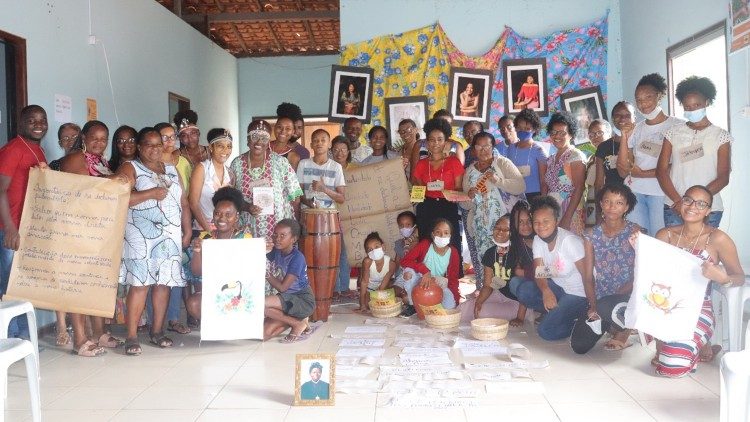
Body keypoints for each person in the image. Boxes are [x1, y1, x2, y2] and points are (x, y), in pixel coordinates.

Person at [651, 185, 744, 377]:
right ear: (680, 203)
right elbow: (651, 275)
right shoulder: (665, 235)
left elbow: (740, 277)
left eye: (701, 204)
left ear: (709, 210)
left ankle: (695, 344)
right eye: (688, 200)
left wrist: (723, 278)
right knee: (668, 358)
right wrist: (641, 249)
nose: (693, 206)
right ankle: (690, 347)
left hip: (698, 310)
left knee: (672, 368)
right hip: (664, 307)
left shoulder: (718, 238)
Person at [116, 127, 191, 356]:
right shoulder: (131, 167)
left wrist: (186, 230)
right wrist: (149, 194)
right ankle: (131, 336)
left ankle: (157, 331)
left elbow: (184, 202)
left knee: (163, 284)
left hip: (170, 235)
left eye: (158, 144)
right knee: (140, 285)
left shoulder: (171, 169)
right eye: (148, 144)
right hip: (140, 236)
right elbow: (119, 197)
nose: (154, 149)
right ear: (139, 147)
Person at [60, 120, 127, 356]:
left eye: (103, 139)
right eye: (94, 138)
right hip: (77, 231)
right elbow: (85, 190)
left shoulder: (101, 161)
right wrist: (115, 181)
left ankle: (98, 333)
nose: (99, 143)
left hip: (98, 233)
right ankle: (80, 339)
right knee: (78, 284)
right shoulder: (75, 158)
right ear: (84, 138)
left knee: (96, 284)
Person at [570, 184, 640, 354]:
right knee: (579, 345)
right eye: (607, 201)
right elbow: (587, 277)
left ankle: (624, 331)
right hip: (602, 298)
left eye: (619, 203)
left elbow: (642, 272)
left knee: (611, 306)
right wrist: (593, 305)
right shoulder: (591, 235)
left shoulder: (635, 231)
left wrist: (618, 294)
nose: (612, 207)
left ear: (627, 207)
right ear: (600, 203)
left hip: (628, 294)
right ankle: (611, 324)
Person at [0, 105, 49, 340]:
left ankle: (23, 339)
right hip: (9, 229)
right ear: (21, 124)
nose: (38, 124)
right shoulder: (13, 149)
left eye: (42, 120)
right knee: (9, 287)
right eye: (32, 121)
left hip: (27, 228)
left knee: (22, 286)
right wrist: (9, 228)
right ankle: (10, 340)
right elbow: (0, 190)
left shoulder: (38, 151)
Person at [657, 76, 731, 228]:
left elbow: (724, 177)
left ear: (707, 102)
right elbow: (661, 171)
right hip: (674, 206)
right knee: (675, 251)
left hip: (709, 209)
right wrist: (679, 201)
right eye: (687, 107)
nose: (692, 110)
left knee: (702, 251)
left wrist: (696, 202)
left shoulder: (721, 136)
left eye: (697, 105)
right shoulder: (672, 133)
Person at [513, 196, 588, 341]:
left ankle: (579, 322)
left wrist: (593, 304)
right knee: (521, 288)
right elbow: (539, 271)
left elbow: (588, 276)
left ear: (556, 220)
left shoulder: (569, 242)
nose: (541, 226)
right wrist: (546, 291)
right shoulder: (538, 240)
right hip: (559, 289)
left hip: (579, 295)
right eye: (536, 222)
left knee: (545, 331)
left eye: (546, 221)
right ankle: (559, 314)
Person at [617, 73, 683, 236]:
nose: (643, 104)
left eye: (648, 97)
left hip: (661, 193)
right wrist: (624, 137)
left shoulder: (677, 125)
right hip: (635, 191)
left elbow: (678, 165)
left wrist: (644, 174)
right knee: (639, 241)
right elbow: (622, 169)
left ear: (659, 96)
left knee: (659, 240)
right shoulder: (637, 128)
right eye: (638, 99)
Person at [461, 132, 525, 289]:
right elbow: (465, 205)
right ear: (473, 149)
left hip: (502, 226)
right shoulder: (469, 171)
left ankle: (508, 294)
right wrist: (468, 197)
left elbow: (520, 186)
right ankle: (488, 293)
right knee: (486, 261)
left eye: (487, 146)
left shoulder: (502, 163)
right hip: (480, 228)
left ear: (493, 147)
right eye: (479, 147)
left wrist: (498, 181)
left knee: (505, 260)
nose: (483, 150)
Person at [186, 187, 253, 320]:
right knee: (193, 303)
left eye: (228, 214)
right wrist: (197, 251)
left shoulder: (245, 239)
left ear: (237, 217)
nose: (222, 218)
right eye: (217, 213)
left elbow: (250, 273)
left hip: (237, 291)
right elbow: (197, 272)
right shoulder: (205, 238)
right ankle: (216, 327)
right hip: (214, 291)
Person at [229, 119, 302, 239]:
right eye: (254, 136)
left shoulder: (280, 162)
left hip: (279, 232)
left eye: (264, 138)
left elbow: (295, 197)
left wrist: (295, 227)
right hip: (248, 232)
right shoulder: (236, 164)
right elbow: (231, 197)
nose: (259, 141)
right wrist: (247, 207)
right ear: (247, 140)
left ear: (268, 141)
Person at [411, 118, 465, 252]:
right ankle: (427, 272)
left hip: (447, 206)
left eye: (440, 139)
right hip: (426, 207)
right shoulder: (421, 164)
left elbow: (459, 188)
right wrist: (416, 195)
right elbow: (417, 186)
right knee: (426, 241)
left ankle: (453, 272)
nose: (435, 143)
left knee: (450, 243)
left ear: (446, 142)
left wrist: (449, 192)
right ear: (427, 142)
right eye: (431, 139)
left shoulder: (453, 162)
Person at [458, 215, 521, 322]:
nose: (500, 231)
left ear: (513, 233)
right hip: (498, 294)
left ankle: (527, 314)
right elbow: (488, 285)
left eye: (506, 230)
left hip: (516, 302)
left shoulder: (518, 252)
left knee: (482, 313)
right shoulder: (490, 253)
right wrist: (479, 301)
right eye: (497, 227)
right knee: (463, 309)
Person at [263, 219, 316, 343]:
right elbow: (261, 254)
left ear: (293, 239)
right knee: (263, 335)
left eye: (283, 235)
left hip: (302, 300)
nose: (277, 239)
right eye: (275, 234)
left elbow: (283, 288)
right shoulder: (277, 251)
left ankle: (296, 323)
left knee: (259, 304)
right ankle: (298, 321)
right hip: (287, 299)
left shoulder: (297, 258)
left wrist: (266, 275)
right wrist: (263, 248)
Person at [395, 218, 461, 315]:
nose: (442, 236)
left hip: (437, 281)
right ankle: (413, 304)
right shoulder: (425, 244)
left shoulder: (453, 252)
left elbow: (453, 279)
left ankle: (429, 302)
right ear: (432, 234)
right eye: (438, 232)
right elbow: (405, 261)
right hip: (421, 278)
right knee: (409, 273)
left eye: (446, 233)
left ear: (450, 235)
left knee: (450, 306)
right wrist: (425, 271)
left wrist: (456, 298)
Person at [543, 112, 587, 235]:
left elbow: (579, 188)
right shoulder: (551, 158)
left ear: (571, 135)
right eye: (553, 132)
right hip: (553, 210)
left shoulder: (575, 156)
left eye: (562, 133)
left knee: (572, 249)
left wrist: (567, 218)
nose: (557, 136)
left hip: (570, 210)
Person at [189, 129, 234, 232]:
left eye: (229, 147)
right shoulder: (202, 168)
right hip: (203, 229)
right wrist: (208, 230)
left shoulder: (230, 173)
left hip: (224, 229)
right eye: (220, 146)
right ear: (211, 147)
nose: (225, 151)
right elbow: (193, 203)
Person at [331, 136, 356, 300]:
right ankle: (334, 288)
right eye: (336, 149)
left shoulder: (357, 169)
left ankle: (345, 287)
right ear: (331, 151)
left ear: (349, 151)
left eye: (343, 149)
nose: (340, 153)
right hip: (334, 215)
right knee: (334, 252)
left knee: (346, 253)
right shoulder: (329, 168)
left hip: (354, 215)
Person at [296, 129, 346, 210]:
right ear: (311, 145)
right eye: (316, 140)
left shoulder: (336, 167)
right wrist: (308, 202)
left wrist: (324, 189)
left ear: (329, 144)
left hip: (329, 215)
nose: (319, 143)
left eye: (323, 140)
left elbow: (341, 199)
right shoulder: (303, 164)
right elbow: (297, 193)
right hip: (307, 214)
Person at [506, 109, 548, 201]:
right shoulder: (511, 148)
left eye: (527, 129)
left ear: (534, 130)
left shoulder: (539, 150)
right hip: (514, 196)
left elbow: (544, 181)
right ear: (515, 128)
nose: (523, 131)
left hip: (535, 197)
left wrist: (544, 202)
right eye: (520, 128)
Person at [357, 232, 397, 312]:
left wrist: (380, 297)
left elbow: (383, 286)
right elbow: (364, 282)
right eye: (370, 249)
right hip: (369, 289)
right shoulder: (367, 262)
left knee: (389, 302)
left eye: (376, 247)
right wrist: (362, 304)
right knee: (369, 305)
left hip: (383, 288)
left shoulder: (391, 264)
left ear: (383, 247)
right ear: (367, 253)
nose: (374, 251)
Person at [271, 103, 308, 170]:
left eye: (299, 127)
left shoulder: (302, 152)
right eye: (280, 127)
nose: (296, 131)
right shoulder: (266, 147)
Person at [174, 110, 209, 180]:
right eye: (184, 135)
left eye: (193, 133)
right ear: (180, 138)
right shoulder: (176, 155)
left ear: (198, 134)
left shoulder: (210, 151)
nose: (189, 138)